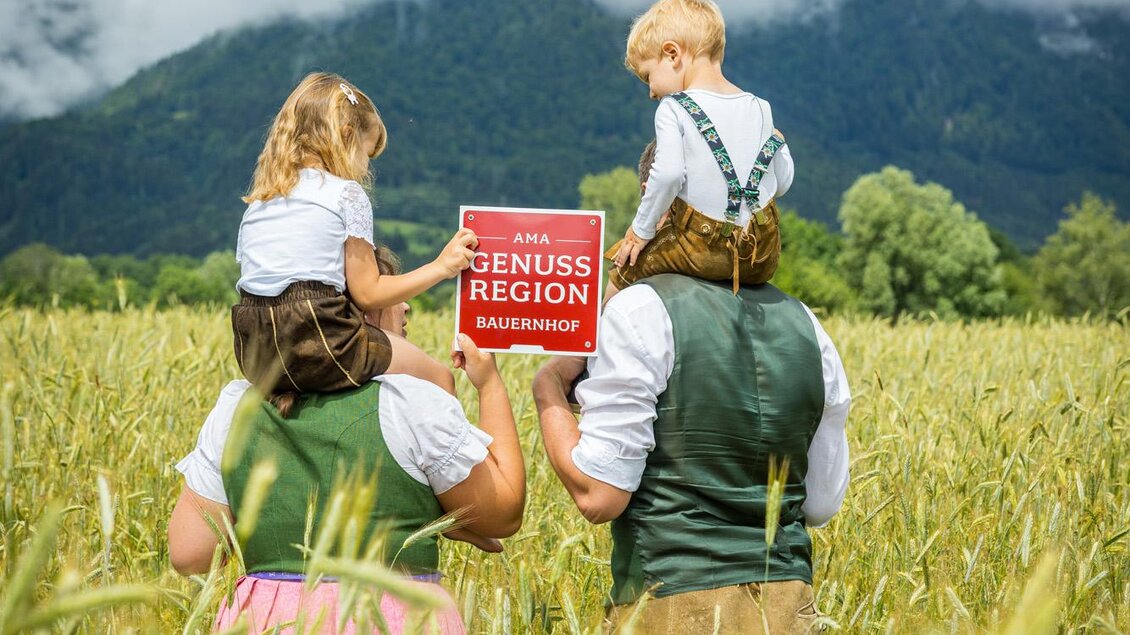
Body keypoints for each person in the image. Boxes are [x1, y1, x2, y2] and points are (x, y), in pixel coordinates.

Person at [169, 247, 525, 633]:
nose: (406, 306)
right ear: (348, 316)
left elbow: (190, 554)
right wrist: (489, 386)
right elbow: (502, 513)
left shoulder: (235, 409)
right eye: (389, 290)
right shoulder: (408, 402)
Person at [534, 274, 850, 633]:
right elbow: (821, 504)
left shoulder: (639, 309)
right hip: (786, 608)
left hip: (671, 606)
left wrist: (549, 389)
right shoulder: (806, 321)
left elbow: (599, 495)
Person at [233, 71, 478, 416]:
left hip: (254, 351)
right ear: (346, 137)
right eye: (366, 153)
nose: (365, 167)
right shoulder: (345, 194)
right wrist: (441, 267)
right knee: (439, 379)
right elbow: (368, 293)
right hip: (321, 340)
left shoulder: (262, 200)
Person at [606, 0, 793, 298]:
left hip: (703, 251)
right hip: (762, 256)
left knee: (624, 265)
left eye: (648, 76)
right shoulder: (761, 108)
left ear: (672, 54)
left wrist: (640, 231)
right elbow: (782, 183)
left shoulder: (674, 107)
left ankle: (603, 338)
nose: (651, 92)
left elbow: (667, 176)